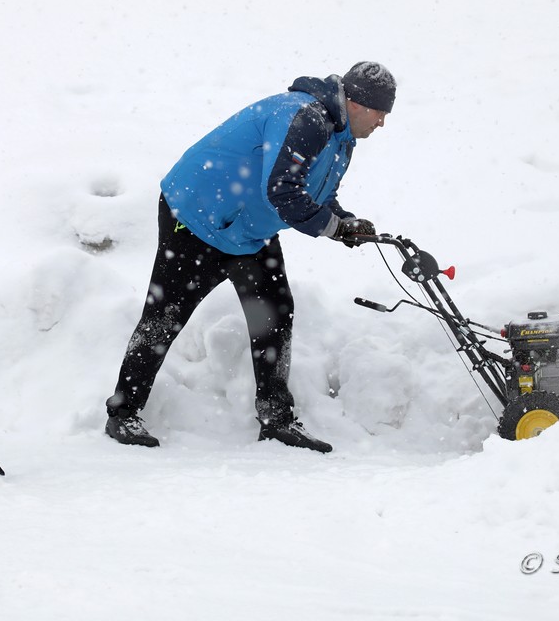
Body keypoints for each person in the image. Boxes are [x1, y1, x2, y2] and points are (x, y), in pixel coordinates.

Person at [104, 62, 397, 453]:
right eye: (381, 114)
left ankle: (276, 418)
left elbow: (317, 195)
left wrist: (345, 221)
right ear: (358, 103)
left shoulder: (341, 140)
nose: (381, 124)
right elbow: (283, 191)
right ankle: (122, 415)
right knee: (166, 314)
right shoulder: (305, 118)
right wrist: (333, 228)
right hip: (196, 219)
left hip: (246, 233)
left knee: (274, 311)